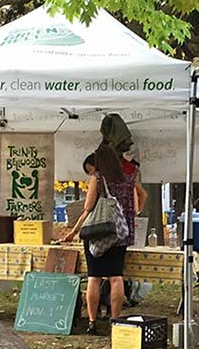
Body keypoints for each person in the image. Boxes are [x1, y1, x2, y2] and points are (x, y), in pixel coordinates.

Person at [61, 140, 147, 334]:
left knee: (94, 278)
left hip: (98, 233)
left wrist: (74, 232)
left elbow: (87, 208)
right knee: (116, 278)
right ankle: (115, 321)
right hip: (120, 233)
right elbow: (134, 207)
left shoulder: (98, 179)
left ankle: (92, 322)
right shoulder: (129, 177)